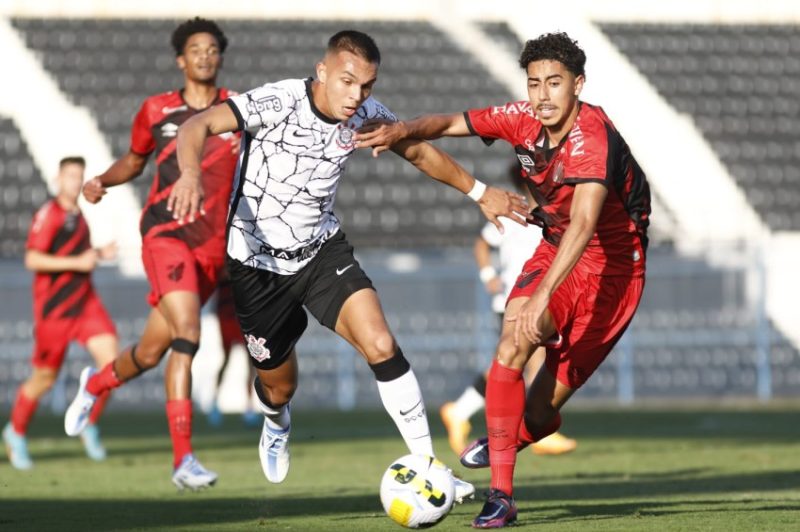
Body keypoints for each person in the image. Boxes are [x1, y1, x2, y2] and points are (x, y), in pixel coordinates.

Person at [167, 30, 529, 500]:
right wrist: (191, 174)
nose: (356, 95)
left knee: (380, 342)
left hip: (321, 253)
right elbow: (195, 127)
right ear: (322, 72)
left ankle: (430, 466)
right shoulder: (276, 101)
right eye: (347, 81)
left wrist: (480, 192)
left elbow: (416, 149)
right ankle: (277, 421)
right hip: (256, 268)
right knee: (278, 388)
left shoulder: (365, 115)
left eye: (367, 86)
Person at [355, 32, 651, 528]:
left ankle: (507, 436)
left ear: (577, 85)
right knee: (513, 338)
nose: (542, 95)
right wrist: (403, 128)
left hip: (615, 273)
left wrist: (544, 298)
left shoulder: (591, 137)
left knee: (537, 416)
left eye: (554, 83)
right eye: (534, 83)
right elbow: (449, 123)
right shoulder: (520, 118)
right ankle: (502, 496)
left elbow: (584, 225)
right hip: (557, 247)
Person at [63, 17, 240, 490]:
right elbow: (135, 160)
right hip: (166, 236)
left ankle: (96, 383)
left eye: (212, 49)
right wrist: (103, 178)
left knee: (149, 352)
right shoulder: (156, 110)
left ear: (220, 58)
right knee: (188, 332)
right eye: (195, 49)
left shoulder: (238, 111)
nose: (204, 55)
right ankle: (184, 460)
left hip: (213, 250)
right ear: (181, 59)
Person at [440, 162, 577, 458]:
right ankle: (534, 429)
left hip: (538, 297)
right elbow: (482, 243)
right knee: (527, 357)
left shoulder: (550, 212)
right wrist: (489, 275)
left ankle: (459, 410)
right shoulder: (516, 210)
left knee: (514, 358)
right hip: (515, 297)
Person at [3, 156, 118, 470]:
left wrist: (98, 254)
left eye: (79, 176)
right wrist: (78, 263)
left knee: (113, 366)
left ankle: (88, 422)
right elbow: (32, 259)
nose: (74, 182)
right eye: (69, 176)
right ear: (57, 178)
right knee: (44, 379)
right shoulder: (49, 214)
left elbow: (78, 255)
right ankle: (15, 432)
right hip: (55, 310)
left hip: (85, 303)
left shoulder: (78, 213)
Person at [206, 276, 261, 428]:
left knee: (250, 362)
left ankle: (249, 407)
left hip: (241, 318)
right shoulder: (224, 270)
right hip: (227, 318)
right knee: (226, 360)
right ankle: (214, 404)